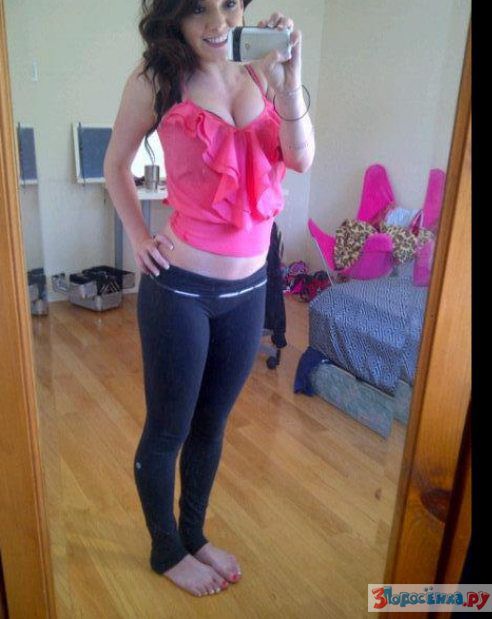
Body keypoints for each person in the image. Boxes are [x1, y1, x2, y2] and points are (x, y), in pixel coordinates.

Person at [103, 0, 314, 598]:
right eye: (199, 9)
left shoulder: (262, 69)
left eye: (228, 4)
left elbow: (301, 157)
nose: (218, 23)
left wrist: (290, 81)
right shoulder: (156, 79)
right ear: (175, 15)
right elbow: (116, 164)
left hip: (250, 290)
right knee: (168, 429)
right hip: (181, 292)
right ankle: (165, 549)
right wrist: (139, 236)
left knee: (212, 425)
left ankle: (193, 535)